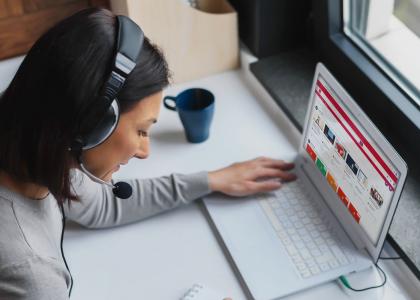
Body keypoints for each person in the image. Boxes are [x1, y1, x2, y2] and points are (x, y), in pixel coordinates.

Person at [0, 8, 296, 300]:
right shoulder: (32, 276)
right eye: (141, 131)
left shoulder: (35, 145)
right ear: (92, 124)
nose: (145, 151)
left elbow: (102, 205)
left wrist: (211, 180)